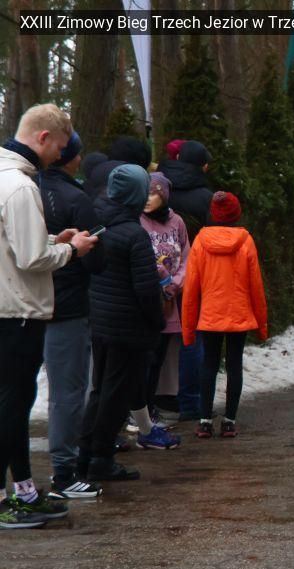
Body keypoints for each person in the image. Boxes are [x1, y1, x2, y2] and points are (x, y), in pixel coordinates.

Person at [0, 104, 98, 528]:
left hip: (7, 305)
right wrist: (72, 250)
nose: (61, 155)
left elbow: (14, 244)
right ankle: (11, 497)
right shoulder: (21, 187)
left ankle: (21, 490)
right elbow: (30, 258)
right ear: (43, 137)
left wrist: (52, 239)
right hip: (18, 310)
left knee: (11, 403)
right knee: (13, 405)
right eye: (59, 146)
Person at [80, 164, 170, 482]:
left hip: (101, 321)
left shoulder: (97, 223)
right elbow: (146, 289)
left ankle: (85, 453)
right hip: (128, 328)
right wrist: (156, 321)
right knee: (116, 396)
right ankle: (101, 458)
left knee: (100, 390)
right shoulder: (134, 235)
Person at [39, 130, 106, 499]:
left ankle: (16, 479)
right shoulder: (77, 199)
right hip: (66, 306)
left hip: (21, 304)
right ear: (69, 156)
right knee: (67, 392)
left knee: (15, 392)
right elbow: (97, 259)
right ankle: (64, 473)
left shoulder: (24, 190)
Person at [181, 191, 268, 439]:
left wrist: (188, 329)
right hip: (239, 314)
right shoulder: (246, 241)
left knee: (208, 364)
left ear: (213, 213)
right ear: (236, 214)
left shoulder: (201, 241)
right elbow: (256, 286)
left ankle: (204, 421)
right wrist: (262, 326)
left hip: (210, 314)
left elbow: (191, 288)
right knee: (234, 364)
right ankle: (229, 421)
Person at [157, 140, 213, 422]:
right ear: (203, 166)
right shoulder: (206, 197)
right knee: (192, 336)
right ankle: (190, 402)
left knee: (157, 338)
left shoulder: (160, 188)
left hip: (158, 273)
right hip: (194, 273)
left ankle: (152, 399)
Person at [139, 171, 190, 430]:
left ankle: (150, 409)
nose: (148, 199)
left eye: (154, 193)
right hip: (145, 300)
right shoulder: (137, 220)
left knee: (157, 359)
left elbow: (186, 259)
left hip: (168, 303)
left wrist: (174, 284)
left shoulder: (176, 222)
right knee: (143, 360)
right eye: (145, 193)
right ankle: (138, 411)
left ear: (165, 195)